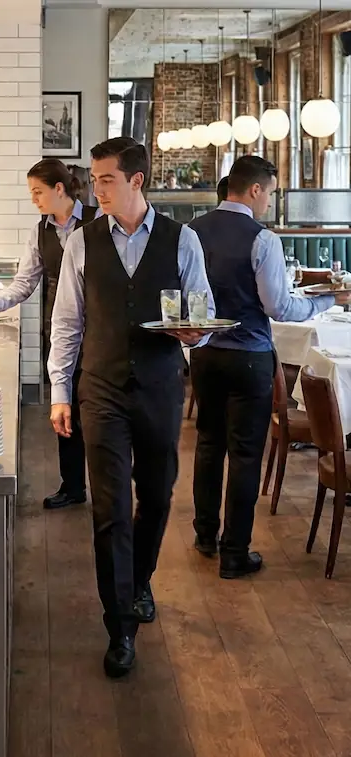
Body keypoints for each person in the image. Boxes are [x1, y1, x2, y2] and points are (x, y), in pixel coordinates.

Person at [49, 137, 213, 679]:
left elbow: (202, 313)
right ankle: (119, 625)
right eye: (94, 180)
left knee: (158, 496)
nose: (95, 190)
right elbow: (66, 323)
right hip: (101, 388)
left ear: (136, 180)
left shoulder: (182, 240)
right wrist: (59, 391)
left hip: (161, 387)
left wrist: (196, 335)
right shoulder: (82, 241)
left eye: (106, 180)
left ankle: (140, 580)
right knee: (109, 508)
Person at [189, 156, 347, 578]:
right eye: (271, 194)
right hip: (248, 357)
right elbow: (279, 308)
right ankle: (234, 553)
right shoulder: (262, 239)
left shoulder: (191, 231)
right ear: (255, 189)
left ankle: (204, 535)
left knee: (209, 445)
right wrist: (328, 300)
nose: (269, 203)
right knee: (244, 455)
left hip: (204, 352)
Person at [0, 159, 100, 510]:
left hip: (101, 330)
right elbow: (24, 283)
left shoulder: (99, 220)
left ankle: (108, 490)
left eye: (38, 192)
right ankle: (73, 485)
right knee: (64, 405)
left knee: (98, 411)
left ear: (60, 189)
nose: (34, 200)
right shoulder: (40, 231)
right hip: (59, 327)